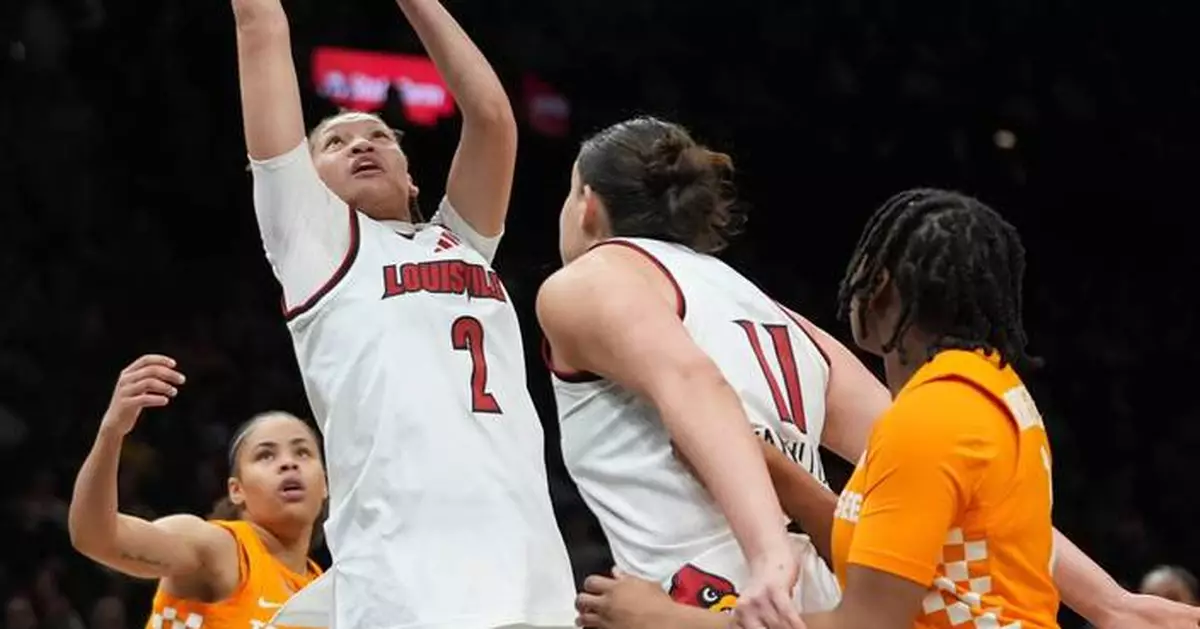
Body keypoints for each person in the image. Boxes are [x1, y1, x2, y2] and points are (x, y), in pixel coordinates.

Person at [574, 189, 1200, 629]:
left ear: (882, 294)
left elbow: (864, 624)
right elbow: (883, 555)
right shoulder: (982, 390)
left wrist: (664, 620)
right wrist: (763, 464)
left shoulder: (932, 422)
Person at [230, 0, 576, 627]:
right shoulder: (315, 247)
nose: (362, 144)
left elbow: (493, 119)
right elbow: (259, 27)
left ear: (413, 178)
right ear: (304, 182)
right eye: (335, 143)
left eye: (379, 137)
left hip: (525, 556)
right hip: (403, 571)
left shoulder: (462, 241)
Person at [538, 116, 892, 629]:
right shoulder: (777, 312)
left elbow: (695, 383)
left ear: (587, 205)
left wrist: (770, 554)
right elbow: (911, 449)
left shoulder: (587, 279)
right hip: (816, 606)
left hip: (716, 604)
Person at [68, 354, 326, 629]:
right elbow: (95, 538)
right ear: (237, 491)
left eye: (303, 452)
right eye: (265, 455)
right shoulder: (218, 550)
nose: (288, 463)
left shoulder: (328, 594)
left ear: (326, 484)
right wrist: (111, 433)